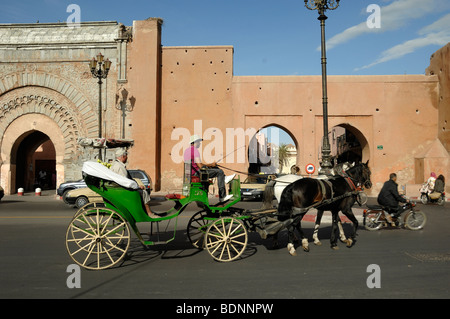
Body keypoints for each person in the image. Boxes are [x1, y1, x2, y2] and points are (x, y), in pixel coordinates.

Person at [184, 135, 235, 202]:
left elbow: (198, 164)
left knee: (215, 168)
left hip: (193, 173)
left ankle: (225, 178)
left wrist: (211, 165)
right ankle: (222, 196)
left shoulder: (187, 150)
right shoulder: (195, 151)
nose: (200, 143)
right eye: (199, 142)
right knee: (220, 172)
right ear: (195, 142)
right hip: (197, 173)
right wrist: (210, 165)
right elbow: (200, 166)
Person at [111, 148, 159, 219]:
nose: (127, 158)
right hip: (123, 190)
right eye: (126, 156)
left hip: (120, 188)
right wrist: (137, 187)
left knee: (141, 191)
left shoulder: (116, 165)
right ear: (123, 157)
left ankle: (145, 211)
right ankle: (149, 213)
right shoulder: (120, 167)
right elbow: (125, 182)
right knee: (144, 192)